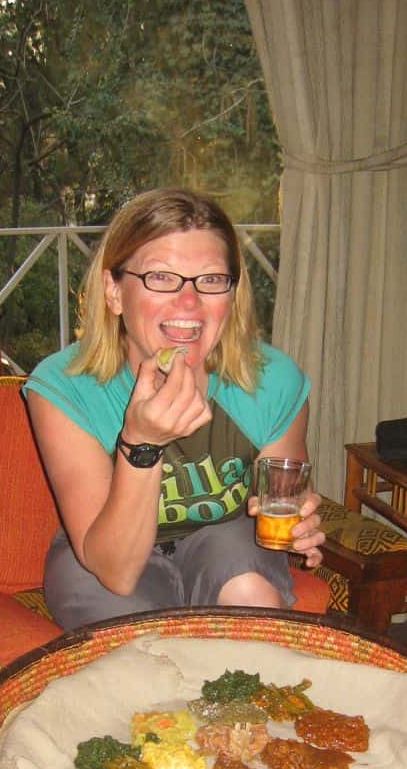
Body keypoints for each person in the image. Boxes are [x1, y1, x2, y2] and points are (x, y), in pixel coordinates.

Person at [24, 187, 325, 631]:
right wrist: (141, 444)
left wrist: (301, 522)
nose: (189, 303)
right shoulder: (63, 387)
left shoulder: (273, 379)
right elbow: (117, 571)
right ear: (113, 291)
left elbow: (283, 494)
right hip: (109, 551)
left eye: (210, 280)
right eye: (161, 277)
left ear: (231, 294)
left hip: (226, 535)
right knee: (139, 645)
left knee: (252, 600)